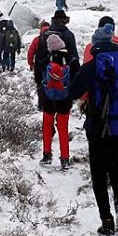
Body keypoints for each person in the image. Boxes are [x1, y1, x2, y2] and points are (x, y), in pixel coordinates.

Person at [69, 23, 118, 236]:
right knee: (115, 166)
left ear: (96, 45)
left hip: (98, 127)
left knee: (98, 174)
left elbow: (73, 91)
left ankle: (107, 223)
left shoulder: (93, 65)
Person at [34, 11, 80, 112]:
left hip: (47, 77)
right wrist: (76, 78)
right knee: (63, 111)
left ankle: (49, 127)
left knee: (48, 110)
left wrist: (38, 77)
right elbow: (74, 58)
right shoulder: (69, 35)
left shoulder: (44, 36)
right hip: (65, 78)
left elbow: (39, 58)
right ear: (64, 20)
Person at [40, 34, 74, 169]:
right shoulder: (71, 59)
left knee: (47, 127)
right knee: (63, 128)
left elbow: (39, 76)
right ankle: (65, 158)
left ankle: (47, 155)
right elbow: (76, 77)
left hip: (48, 98)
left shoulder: (46, 60)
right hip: (65, 100)